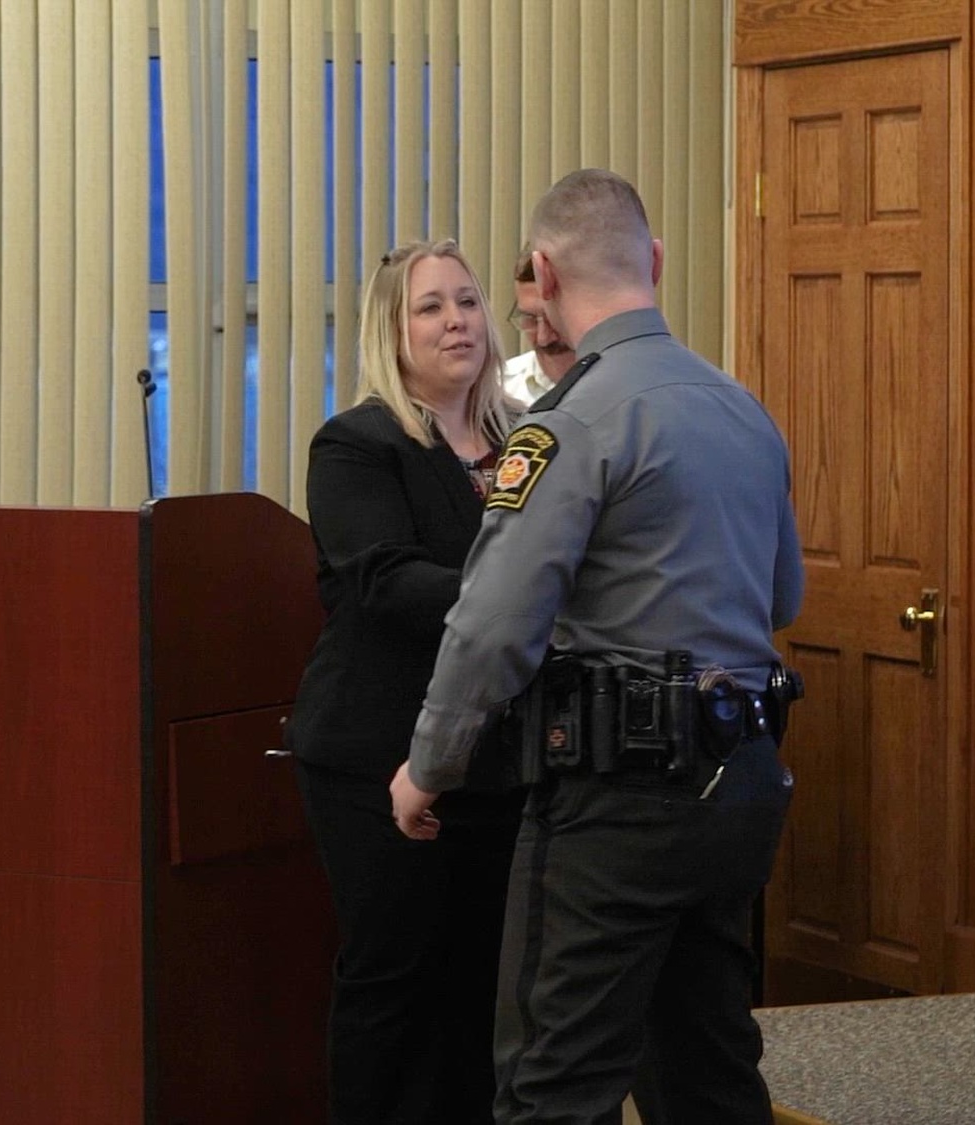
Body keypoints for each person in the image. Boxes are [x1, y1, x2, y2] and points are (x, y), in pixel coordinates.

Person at [391, 170, 806, 1124]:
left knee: (553, 1086)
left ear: (540, 272)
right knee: (707, 1075)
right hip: (739, 785)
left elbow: (493, 624)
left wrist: (429, 766)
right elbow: (784, 594)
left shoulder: (567, 423)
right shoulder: (741, 408)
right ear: (653, 262)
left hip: (616, 803)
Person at [284, 238, 527, 1124]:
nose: (457, 320)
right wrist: (523, 592)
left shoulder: (518, 442)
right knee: (394, 977)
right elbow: (385, 580)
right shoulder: (358, 442)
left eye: (467, 300)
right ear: (393, 330)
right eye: (431, 307)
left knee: (479, 986)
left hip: (494, 759)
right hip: (374, 752)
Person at [500, 245, 579, 407]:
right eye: (530, 318)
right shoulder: (499, 392)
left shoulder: (632, 394)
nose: (543, 339)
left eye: (553, 318)